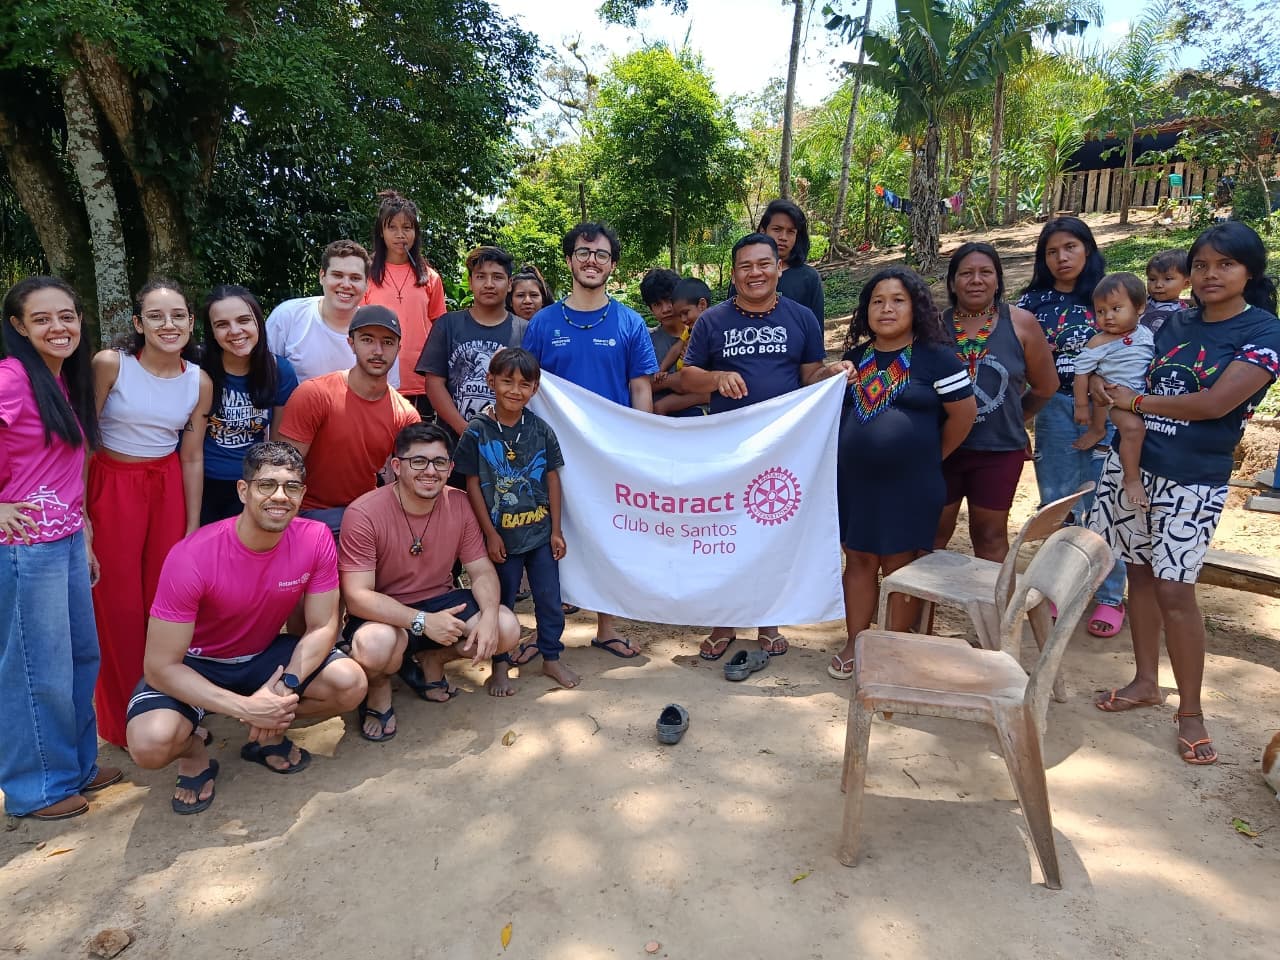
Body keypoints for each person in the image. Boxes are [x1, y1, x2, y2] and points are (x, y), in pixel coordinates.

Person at [1089, 222, 1280, 766]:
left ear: (1249, 272)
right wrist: (1106, 387)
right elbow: (1128, 372)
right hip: (1135, 467)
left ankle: (1191, 711)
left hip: (1192, 479)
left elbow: (1216, 404)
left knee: (1177, 592)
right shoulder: (1173, 322)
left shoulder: (1264, 331)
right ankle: (1146, 680)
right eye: (1201, 265)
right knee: (1139, 575)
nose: (1210, 275)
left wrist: (1135, 404)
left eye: (1225, 265)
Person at [125, 442, 366, 813]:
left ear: (303, 493)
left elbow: (322, 625)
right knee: (149, 744)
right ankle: (194, 750)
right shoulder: (192, 556)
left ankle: (269, 731)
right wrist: (247, 708)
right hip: (197, 663)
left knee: (351, 685)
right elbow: (160, 666)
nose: (280, 497)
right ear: (243, 490)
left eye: (292, 487)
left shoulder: (315, 538)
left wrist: (284, 691)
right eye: (266, 485)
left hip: (264, 658)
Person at [681, 233, 857, 661]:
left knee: (771, 532)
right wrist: (715, 379)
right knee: (725, 533)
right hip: (728, 448)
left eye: (764, 264)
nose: (755, 273)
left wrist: (831, 372)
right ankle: (723, 621)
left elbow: (810, 375)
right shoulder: (712, 321)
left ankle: (768, 621)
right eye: (745, 266)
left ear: (779, 268)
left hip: (784, 448)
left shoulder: (801, 318)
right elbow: (687, 377)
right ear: (734, 274)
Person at [0, 277, 122, 821]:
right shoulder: (10, 379)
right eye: (43, 318)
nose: (59, 327)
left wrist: (86, 531)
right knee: (34, 668)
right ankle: (36, 788)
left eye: (67, 316)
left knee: (78, 659)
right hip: (24, 548)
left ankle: (74, 766)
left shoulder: (62, 380)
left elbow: (64, 469)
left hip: (66, 539)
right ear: (18, 327)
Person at [828, 267, 977, 680]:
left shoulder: (938, 358)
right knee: (857, 560)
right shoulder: (855, 360)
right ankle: (856, 643)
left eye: (897, 300)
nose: (886, 308)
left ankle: (892, 650)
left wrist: (927, 456)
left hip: (912, 484)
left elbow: (963, 416)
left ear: (916, 307)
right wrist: (830, 374)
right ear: (866, 311)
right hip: (855, 484)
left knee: (900, 564)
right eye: (877, 301)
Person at [522, 221, 659, 659]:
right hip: (551, 454)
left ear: (612, 264)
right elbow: (528, 388)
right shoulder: (542, 324)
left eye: (601, 254)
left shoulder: (629, 322)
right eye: (583, 252)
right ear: (569, 260)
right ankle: (547, 634)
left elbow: (641, 387)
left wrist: (643, 444)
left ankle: (607, 626)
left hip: (611, 454)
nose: (591, 261)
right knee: (548, 534)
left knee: (610, 534)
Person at [88, 280, 213, 748]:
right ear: (138, 324)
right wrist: (81, 514)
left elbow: (192, 455)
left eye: (178, 315)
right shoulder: (110, 365)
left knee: (167, 604)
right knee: (117, 604)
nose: (169, 325)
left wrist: (193, 525)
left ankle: (175, 703)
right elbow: (84, 442)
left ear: (190, 322)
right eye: (156, 316)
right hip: (112, 486)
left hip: (167, 490)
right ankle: (121, 719)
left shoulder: (198, 380)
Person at [339, 423, 521, 738]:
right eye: (418, 461)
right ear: (397, 466)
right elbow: (357, 596)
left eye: (439, 462)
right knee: (374, 646)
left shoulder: (460, 503)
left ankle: (431, 657)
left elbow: (480, 570)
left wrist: (490, 615)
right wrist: (422, 621)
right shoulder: (363, 513)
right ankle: (379, 689)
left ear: (450, 468)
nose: (430, 471)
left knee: (505, 628)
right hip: (386, 612)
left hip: (441, 601)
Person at [1017, 216, 1128, 638]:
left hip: (1107, 410)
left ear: (1088, 249)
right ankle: (1059, 591)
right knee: (1058, 503)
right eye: (1051, 251)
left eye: (1070, 247)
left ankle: (1110, 595)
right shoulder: (1031, 304)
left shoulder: (1109, 296)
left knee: (1106, 502)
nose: (1061, 257)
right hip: (1053, 409)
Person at [454, 348, 576, 695]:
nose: (515, 390)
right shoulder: (477, 432)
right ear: (491, 381)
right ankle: (500, 666)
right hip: (501, 539)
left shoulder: (540, 429)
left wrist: (556, 530)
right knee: (501, 602)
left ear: (535, 389)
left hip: (539, 534)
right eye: (507, 381)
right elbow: (472, 483)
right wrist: (490, 534)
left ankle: (551, 657)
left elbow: (552, 476)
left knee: (550, 598)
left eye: (525, 384)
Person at [935, 242, 1057, 562]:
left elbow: (1045, 387)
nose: (976, 280)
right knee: (931, 536)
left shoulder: (1022, 323)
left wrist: (1015, 417)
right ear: (952, 282)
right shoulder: (934, 327)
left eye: (985, 272)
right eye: (966, 273)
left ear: (998, 281)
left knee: (990, 537)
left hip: (999, 451)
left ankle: (995, 611)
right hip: (943, 450)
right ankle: (920, 612)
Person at [278, 304, 420, 538]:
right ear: (351, 343)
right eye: (367, 340)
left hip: (365, 513)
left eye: (387, 342)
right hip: (308, 513)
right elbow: (283, 470)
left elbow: (411, 478)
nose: (377, 350)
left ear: (398, 348)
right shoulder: (315, 394)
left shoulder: (404, 414)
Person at [200, 285, 299, 524]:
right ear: (211, 332)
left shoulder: (279, 370)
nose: (235, 331)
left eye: (244, 320)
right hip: (200, 481)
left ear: (258, 322)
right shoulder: (197, 367)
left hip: (251, 484)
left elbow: (278, 445)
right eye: (222, 324)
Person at [417, 245, 527, 442]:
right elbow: (434, 383)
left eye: (497, 277)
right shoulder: (448, 325)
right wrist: (466, 430)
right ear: (470, 282)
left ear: (510, 284)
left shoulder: (526, 331)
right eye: (480, 276)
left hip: (510, 444)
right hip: (454, 444)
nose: (489, 284)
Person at [1072, 273, 1155, 508]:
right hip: (1115, 398)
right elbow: (1081, 374)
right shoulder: (1098, 342)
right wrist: (1081, 406)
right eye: (1100, 311)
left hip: (1142, 396)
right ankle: (1131, 478)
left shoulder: (1146, 334)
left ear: (1140, 307)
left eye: (1116, 309)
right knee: (1133, 429)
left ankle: (1099, 431)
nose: (1107, 317)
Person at [364, 190, 447, 416]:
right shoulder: (365, 275)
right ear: (381, 232)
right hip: (377, 377)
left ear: (416, 232)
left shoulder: (430, 278)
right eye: (392, 227)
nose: (400, 235)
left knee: (418, 448)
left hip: (421, 382)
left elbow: (440, 330)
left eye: (407, 228)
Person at [266, 239, 387, 385]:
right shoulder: (287, 317)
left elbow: (386, 395)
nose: (346, 285)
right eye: (337, 275)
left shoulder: (379, 331)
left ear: (366, 284)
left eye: (355, 278)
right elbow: (263, 377)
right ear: (322, 276)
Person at [649, 273, 711, 417]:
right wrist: (665, 374)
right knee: (659, 407)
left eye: (669, 301)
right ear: (650, 309)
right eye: (657, 304)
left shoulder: (715, 328)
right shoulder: (647, 342)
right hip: (671, 416)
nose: (666, 309)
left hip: (704, 404)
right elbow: (634, 385)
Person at [756, 198, 824, 320]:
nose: (783, 237)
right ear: (763, 231)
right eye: (777, 229)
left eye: (791, 232)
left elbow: (816, 328)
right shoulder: (746, 275)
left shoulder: (808, 277)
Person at [1141, 249, 1192, 334]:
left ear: (1186, 284)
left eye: (1167, 279)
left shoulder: (1181, 314)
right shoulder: (1142, 301)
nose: (1158, 285)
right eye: (1152, 279)